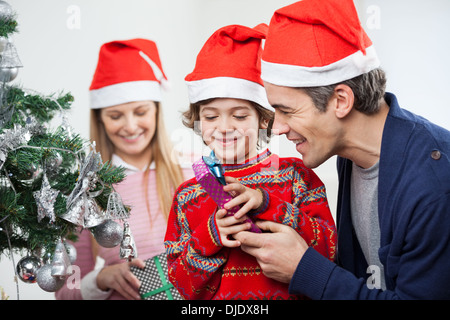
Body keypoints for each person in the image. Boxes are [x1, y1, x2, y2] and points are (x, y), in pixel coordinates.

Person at [233, 0, 450, 300]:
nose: (277, 127)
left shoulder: (434, 185)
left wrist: (304, 269)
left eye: (287, 110)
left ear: (341, 101)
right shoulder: (350, 155)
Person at [163, 24, 336, 300]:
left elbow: (329, 251)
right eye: (210, 117)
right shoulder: (187, 196)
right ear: (197, 121)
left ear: (264, 119)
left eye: (239, 116)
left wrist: (268, 204)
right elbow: (184, 288)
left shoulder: (296, 176)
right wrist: (210, 237)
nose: (224, 127)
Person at [56, 38, 192, 300]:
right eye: (116, 116)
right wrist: (101, 279)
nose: (130, 126)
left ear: (156, 111)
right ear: (100, 119)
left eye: (140, 112)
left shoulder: (196, 170)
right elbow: (64, 291)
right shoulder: (83, 191)